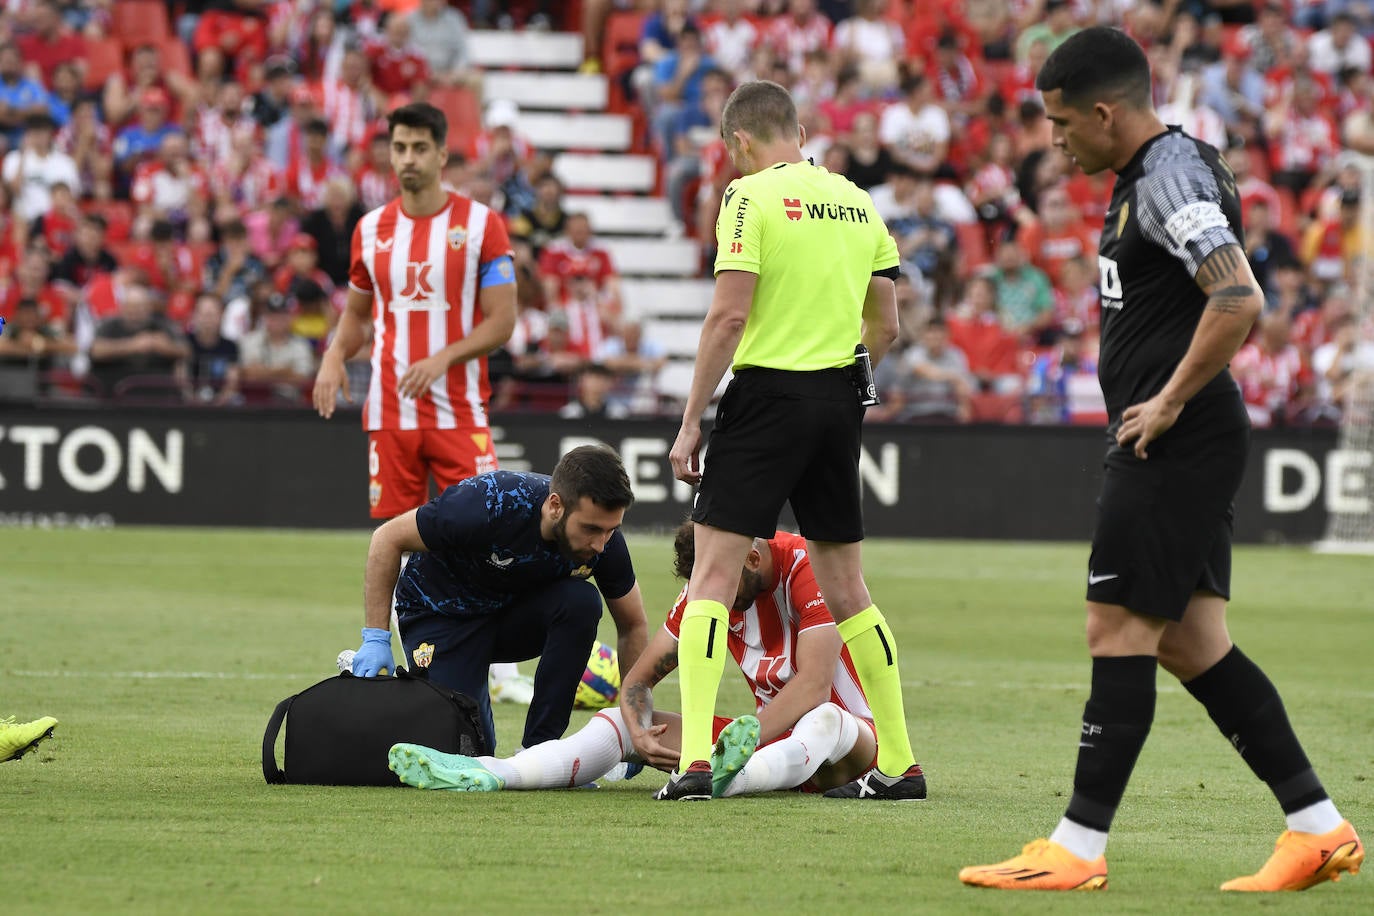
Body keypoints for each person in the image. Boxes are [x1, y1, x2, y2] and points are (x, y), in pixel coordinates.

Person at [960, 27, 1363, 893]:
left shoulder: (1169, 176)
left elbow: (1237, 293)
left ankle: (1077, 846)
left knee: (1118, 629)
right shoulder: (1149, 175)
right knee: (1192, 641)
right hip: (1183, 432)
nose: (1054, 140)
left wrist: (1172, 398)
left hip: (1174, 436)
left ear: (1107, 113)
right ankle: (1318, 828)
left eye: (1062, 123)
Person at [663, 80, 922, 802]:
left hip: (768, 395)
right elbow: (889, 326)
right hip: (839, 399)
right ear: (800, 130)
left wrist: (691, 420)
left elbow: (727, 318)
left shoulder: (749, 198)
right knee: (848, 589)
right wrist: (849, 374)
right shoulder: (858, 201)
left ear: (740, 142)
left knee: (711, 576)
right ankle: (900, 763)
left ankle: (692, 762)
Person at [386, 524, 878, 798]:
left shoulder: (806, 565)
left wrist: (742, 738)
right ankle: (497, 772)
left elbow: (814, 683)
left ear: (751, 560)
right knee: (614, 723)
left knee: (825, 718)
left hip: (849, 749)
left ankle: (724, 777)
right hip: (764, 744)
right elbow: (639, 680)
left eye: (724, 595)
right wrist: (638, 727)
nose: (718, 607)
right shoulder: (709, 586)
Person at [311, 102, 526, 699]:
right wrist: (333, 355)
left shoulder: (482, 225)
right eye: (398, 147)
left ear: (441, 155)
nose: (406, 158)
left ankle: (501, 665)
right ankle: (412, 656)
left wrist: (444, 358)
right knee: (396, 538)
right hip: (390, 412)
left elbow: (503, 321)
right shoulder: (370, 229)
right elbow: (355, 317)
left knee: (488, 529)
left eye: (418, 148)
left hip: (459, 409)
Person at [345, 445, 650, 755]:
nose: (600, 544)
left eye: (611, 530)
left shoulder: (604, 543)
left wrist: (634, 721)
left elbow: (633, 624)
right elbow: (387, 538)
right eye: (591, 529)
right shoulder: (490, 502)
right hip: (442, 618)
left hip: (507, 620)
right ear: (555, 505)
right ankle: (396, 687)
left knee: (581, 601)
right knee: (466, 754)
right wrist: (375, 637)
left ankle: (541, 750)